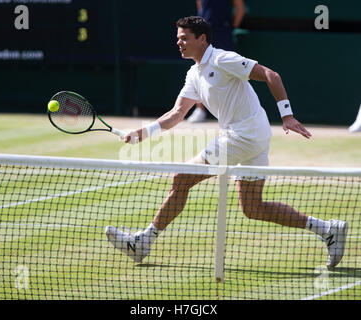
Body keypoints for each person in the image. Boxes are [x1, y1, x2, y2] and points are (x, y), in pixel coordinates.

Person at [105, 16, 348, 269]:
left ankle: (143, 242)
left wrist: (286, 115)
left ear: (202, 39)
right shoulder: (194, 74)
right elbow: (177, 114)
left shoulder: (223, 59)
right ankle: (328, 229)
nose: (179, 43)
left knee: (181, 179)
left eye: (184, 38)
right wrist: (142, 132)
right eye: (178, 38)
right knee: (253, 208)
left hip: (243, 135)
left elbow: (270, 75)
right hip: (253, 135)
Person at [188, 0, 245, 123]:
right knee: (201, 69)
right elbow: (200, 7)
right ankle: (200, 110)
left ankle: (232, 112)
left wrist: (231, 27)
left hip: (223, 32)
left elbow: (240, 9)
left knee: (229, 71)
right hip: (204, 32)